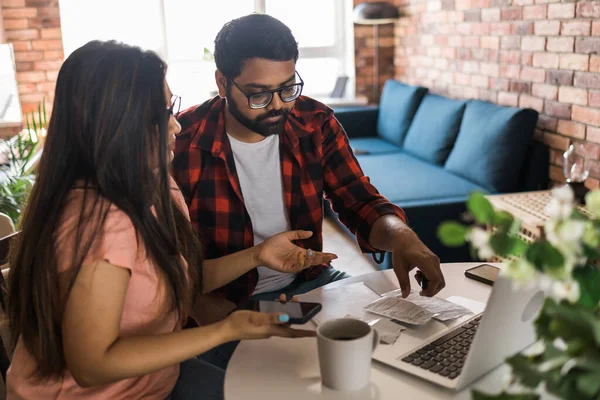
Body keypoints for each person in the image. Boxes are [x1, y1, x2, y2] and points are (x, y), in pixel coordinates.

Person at [5, 40, 316, 400]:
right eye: (162, 113)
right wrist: (224, 330)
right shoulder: (101, 222)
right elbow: (91, 365)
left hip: (154, 378)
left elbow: (179, 281)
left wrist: (258, 255)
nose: (176, 126)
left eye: (172, 107)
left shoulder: (154, 185)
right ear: (117, 124)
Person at [173, 14, 445, 309]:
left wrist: (402, 237)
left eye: (288, 88)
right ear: (223, 83)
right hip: (223, 300)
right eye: (259, 94)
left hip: (311, 283)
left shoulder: (315, 123)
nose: (278, 105)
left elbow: (358, 201)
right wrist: (200, 307)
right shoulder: (180, 141)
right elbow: (165, 256)